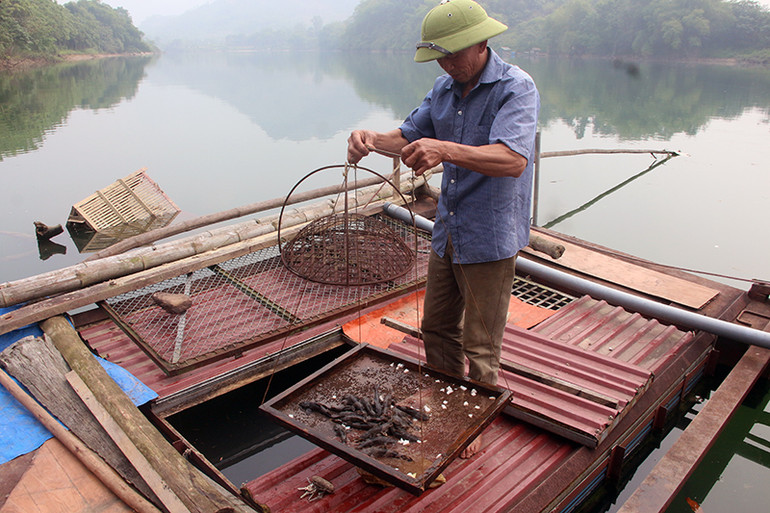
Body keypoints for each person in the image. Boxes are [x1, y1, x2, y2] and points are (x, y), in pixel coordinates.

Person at [347, 0, 540, 458]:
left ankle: (474, 420)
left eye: (455, 55)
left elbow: (512, 159)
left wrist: (444, 149)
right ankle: (446, 402)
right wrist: (371, 139)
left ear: (482, 43)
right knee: (436, 328)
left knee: (481, 343)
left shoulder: (516, 88)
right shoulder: (444, 88)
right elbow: (407, 136)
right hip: (449, 230)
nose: (448, 65)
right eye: (440, 57)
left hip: (490, 234)